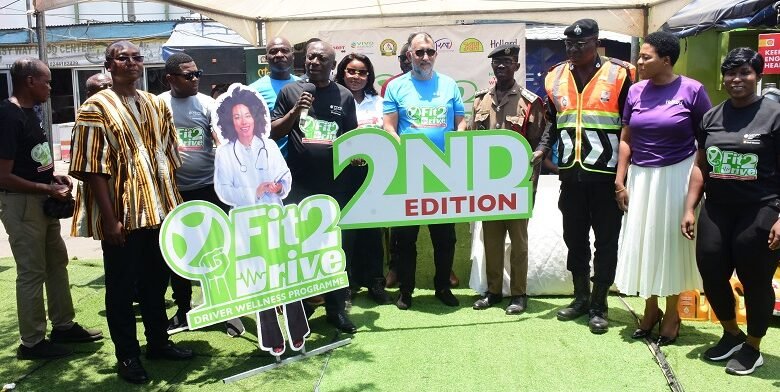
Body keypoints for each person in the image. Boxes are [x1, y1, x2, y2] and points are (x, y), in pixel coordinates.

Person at [70, 40, 193, 384]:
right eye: (122, 58)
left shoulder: (156, 104)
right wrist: (109, 219)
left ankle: (158, 342)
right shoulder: (95, 107)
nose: (131, 62)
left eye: (136, 57)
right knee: (122, 288)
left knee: (156, 283)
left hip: (159, 208)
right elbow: (91, 168)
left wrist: (173, 206)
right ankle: (127, 355)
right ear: (109, 65)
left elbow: (170, 156)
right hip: (123, 213)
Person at [682, 47, 780, 376]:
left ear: (758, 76)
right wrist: (690, 208)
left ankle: (753, 346)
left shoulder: (774, 115)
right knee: (710, 271)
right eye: (731, 73)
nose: (737, 79)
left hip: (761, 208)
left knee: (755, 279)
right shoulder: (712, 117)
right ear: (723, 79)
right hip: (718, 207)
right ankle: (731, 334)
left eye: (745, 73)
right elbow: (700, 166)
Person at [532, 19, 635, 334]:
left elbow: (630, 125)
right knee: (574, 240)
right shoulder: (555, 77)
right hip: (571, 177)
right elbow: (554, 120)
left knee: (606, 242)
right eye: (569, 45)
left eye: (581, 44)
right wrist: (542, 149)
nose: (573, 50)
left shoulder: (622, 74)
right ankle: (580, 298)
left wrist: (624, 176)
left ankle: (600, 305)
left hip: (606, 178)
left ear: (597, 42)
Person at [0, 58, 102, 361]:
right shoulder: (8, 114)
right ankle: (31, 343)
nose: (50, 87)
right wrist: (46, 188)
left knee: (57, 263)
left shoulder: (30, 112)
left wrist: (50, 176)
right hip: (21, 205)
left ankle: (63, 325)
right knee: (32, 272)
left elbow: (27, 159)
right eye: (46, 81)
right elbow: (2, 175)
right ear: (30, 81)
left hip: (41, 202)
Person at [613, 31, 710, 345]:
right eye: (640, 56)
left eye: (646, 56)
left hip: (677, 177)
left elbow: (705, 143)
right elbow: (626, 139)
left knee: (671, 245)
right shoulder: (635, 91)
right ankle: (650, 309)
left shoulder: (693, 90)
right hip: (641, 178)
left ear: (666, 60)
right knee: (643, 243)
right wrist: (620, 180)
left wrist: (693, 193)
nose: (639, 62)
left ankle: (672, 314)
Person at [213, 84, 309, 355]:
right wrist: (252, 192)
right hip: (246, 223)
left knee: (287, 273)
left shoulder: (268, 145)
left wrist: (279, 187)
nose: (244, 122)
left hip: (275, 217)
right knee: (261, 279)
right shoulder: (224, 152)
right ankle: (271, 335)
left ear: (256, 117)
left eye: (248, 115)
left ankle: (297, 330)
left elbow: (284, 175)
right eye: (237, 117)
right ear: (229, 122)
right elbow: (223, 189)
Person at [270, 40, 358, 334]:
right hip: (298, 186)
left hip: (335, 186)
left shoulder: (344, 96)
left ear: (332, 64)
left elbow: (350, 139)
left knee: (333, 248)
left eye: (321, 58)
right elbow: (272, 131)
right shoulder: (290, 92)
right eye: (310, 57)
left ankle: (336, 309)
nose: (314, 62)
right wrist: (296, 111)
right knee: (300, 248)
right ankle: (303, 308)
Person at [159, 52, 245, 337]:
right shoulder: (159, 105)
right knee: (180, 253)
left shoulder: (207, 103)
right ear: (171, 78)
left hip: (210, 187)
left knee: (219, 249)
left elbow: (219, 136)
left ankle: (227, 308)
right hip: (172, 191)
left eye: (198, 74)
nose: (196, 79)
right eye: (189, 75)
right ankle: (183, 309)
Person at [383, 32, 467, 310]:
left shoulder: (449, 84)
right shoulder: (396, 87)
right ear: (409, 56)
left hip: (443, 174)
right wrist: (407, 155)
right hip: (409, 172)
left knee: (445, 237)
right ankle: (406, 291)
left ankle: (442, 286)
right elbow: (389, 127)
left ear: (436, 54)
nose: (425, 57)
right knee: (405, 238)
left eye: (430, 52)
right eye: (419, 52)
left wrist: (456, 145)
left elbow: (461, 122)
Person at [470, 44, 547, 314]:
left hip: (518, 184)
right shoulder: (480, 101)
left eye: (507, 62)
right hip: (488, 183)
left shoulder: (529, 101)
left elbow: (541, 139)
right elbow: (471, 143)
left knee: (518, 242)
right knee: (490, 239)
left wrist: (539, 157)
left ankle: (519, 293)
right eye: (497, 63)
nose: (501, 66)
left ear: (516, 66)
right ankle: (493, 291)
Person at [334, 53, 392, 305]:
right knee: (345, 232)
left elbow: (388, 133)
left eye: (362, 72)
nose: (356, 77)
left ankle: (375, 283)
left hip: (373, 175)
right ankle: (346, 286)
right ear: (342, 72)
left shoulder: (378, 102)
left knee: (372, 230)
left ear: (369, 76)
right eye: (351, 71)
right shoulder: (332, 99)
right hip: (342, 174)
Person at [249, 36, 300, 159]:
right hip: (269, 163)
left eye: (284, 50)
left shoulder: (304, 86)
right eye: (273, 51)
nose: (279, 54)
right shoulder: (253, 91)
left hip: (301, 165)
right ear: (266, 58)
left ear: (292, 56)